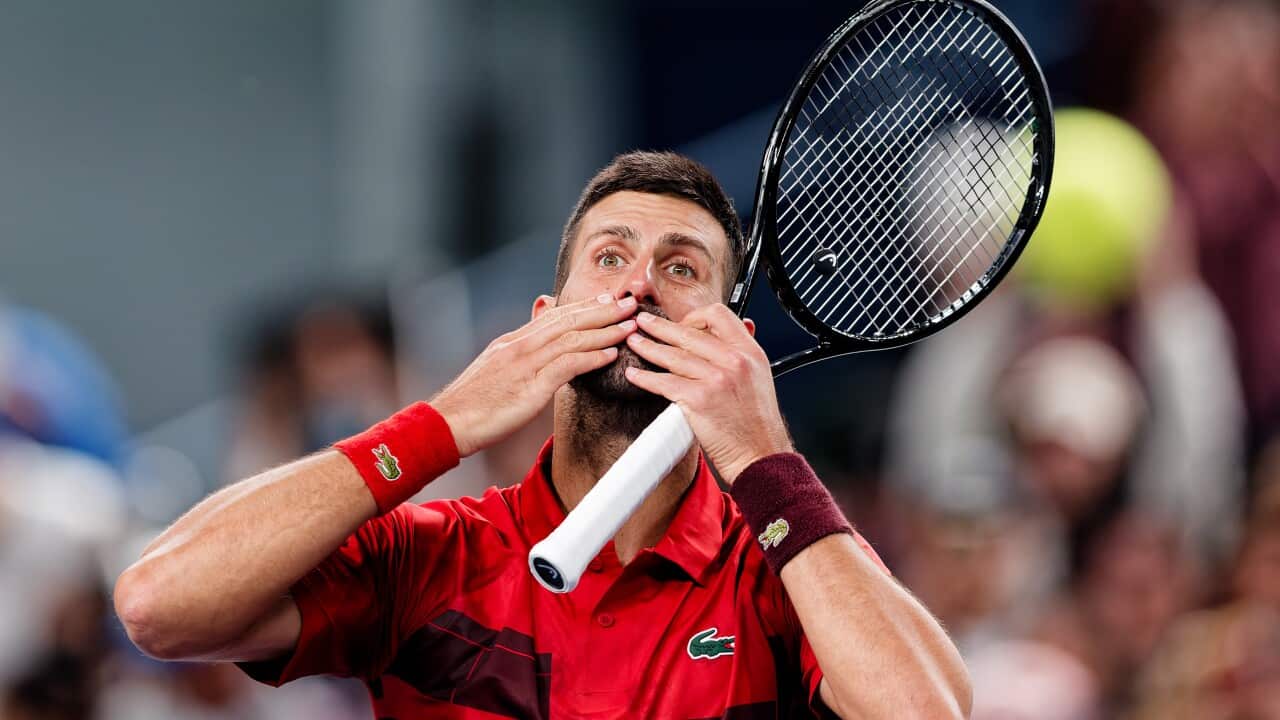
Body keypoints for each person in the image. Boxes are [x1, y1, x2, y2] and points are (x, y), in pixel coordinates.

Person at [113, 152, 970, 718]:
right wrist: (440, 424)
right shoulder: (431, 558)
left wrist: (759, 454)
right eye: (609, 257)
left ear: (734, 343)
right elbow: (159, 605)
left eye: (681, 269)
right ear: (542, 322)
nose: (639, 286)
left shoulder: (777, 576)